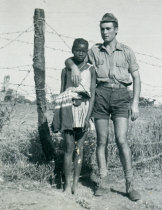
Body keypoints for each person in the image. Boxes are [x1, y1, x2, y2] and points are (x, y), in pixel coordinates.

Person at [65, 13, 141, 201]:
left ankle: (129, 184)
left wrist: (136, 103)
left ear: (116, 30)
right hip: (100, 95)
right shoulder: (94, 51)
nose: (105, 32)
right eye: (102, 29)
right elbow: (73, 60)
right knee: (102, 141)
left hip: (121, 96)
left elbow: (137, 77)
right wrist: (73, 67)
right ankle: (103, 182)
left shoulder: (127, 51)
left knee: (122, 140)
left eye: (108, 29)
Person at [51, 38, 96, 194]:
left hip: (84, 111)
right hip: (68, 111)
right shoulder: (66, 70)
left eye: (83, 51)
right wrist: (57, 116)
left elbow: (93, 95)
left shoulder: (91, 69)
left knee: (79, 148)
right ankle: (66, 185)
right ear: (72, 50)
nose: (80, 53)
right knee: (68, 147)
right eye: (77, 50)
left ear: (87, 52)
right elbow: (62, 92)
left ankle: (76, 184)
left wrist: (87, 117)